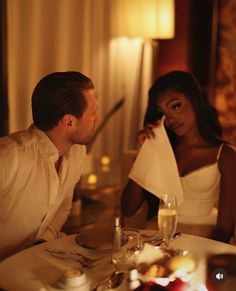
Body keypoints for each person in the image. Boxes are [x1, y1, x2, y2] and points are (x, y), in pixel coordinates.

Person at [121, 71, 236, 243]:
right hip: (158, 235)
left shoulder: (225, 155)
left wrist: (198, 253)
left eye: (175, 106)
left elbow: (225, 231)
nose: (170, 119)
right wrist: (145, 153)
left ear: (195, 102)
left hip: (201, 238)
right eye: (163, 112)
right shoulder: (161, 149)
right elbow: (128, 208)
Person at [0, 71, 99, 260]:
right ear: (69, 121)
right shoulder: (8, 156)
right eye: (93, 113)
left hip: (35, 262)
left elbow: (62, 207)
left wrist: (43, 241)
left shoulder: (77, 152)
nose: (97, 119)